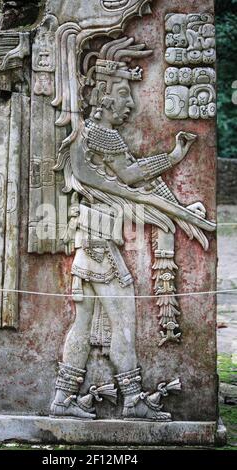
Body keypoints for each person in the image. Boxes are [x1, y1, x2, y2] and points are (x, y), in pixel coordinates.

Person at [50, 37, 210, 421]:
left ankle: (62, 397)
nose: (130, 103)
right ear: (103, 95)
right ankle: (133, 398)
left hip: (91, 242)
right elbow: (131, 176)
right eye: (124, 92)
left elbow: (129, 183)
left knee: (85, 323)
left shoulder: (89, 134)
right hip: (100, 248)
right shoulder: (100, 134)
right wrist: (172, 157)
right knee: (124, 320)